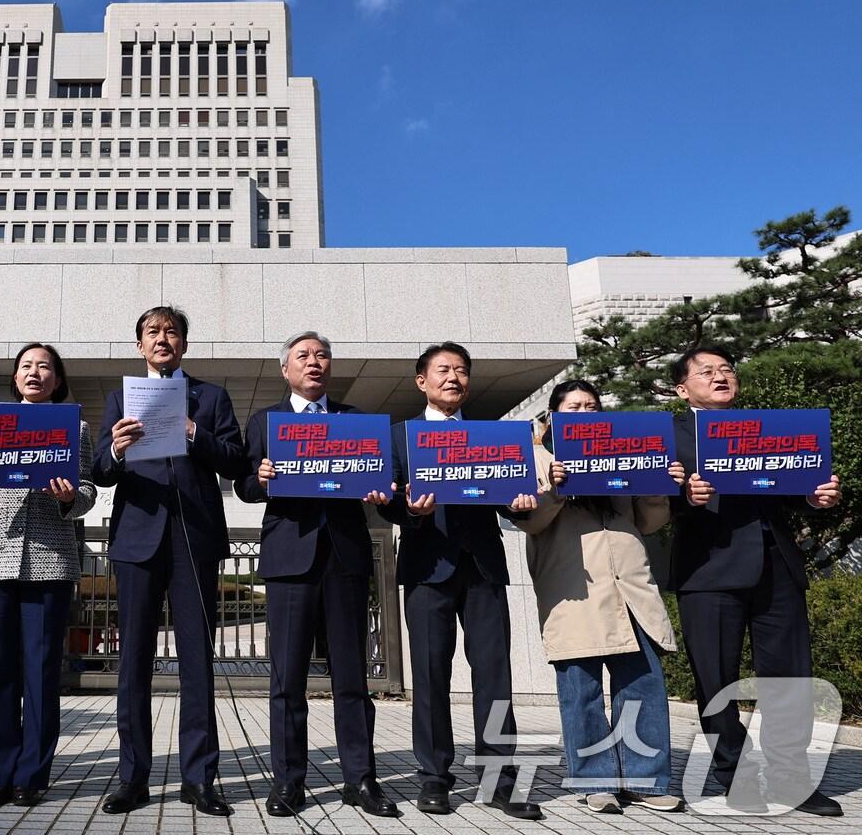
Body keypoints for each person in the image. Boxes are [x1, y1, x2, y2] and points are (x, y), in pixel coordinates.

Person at [669, 345, 843, 815]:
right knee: (715, 680)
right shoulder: (669, 434)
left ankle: (791, 780)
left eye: (727, 368)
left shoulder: (768, 431)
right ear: (683, 388)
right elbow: (645, 499)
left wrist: (816, 497)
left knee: (789, 679)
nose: (720, 376)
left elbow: (790, 493)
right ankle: (735, 775)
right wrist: (685, 496)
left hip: (776, 566)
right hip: (708, 570)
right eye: (706, 371)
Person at [235, 331, 401, 818]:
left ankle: (360, 779)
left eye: (322, 355)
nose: (314, 363)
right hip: (290, 557)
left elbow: (379, 478)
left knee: (352, 677)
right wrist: (259, 479)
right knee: (287, 678)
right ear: (285, 369)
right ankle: (289, 782)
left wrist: (379, 492)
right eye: (303, 356)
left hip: (345, 557)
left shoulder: (355, 422)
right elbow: (244, 485)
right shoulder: (266, 421)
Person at [92, 306, 248, 817]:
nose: (163, 339)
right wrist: (114, 451)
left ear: (184, 344)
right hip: (138, 537)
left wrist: (193, 433)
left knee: (197, 662)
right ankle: (132, 778)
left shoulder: (212, 396)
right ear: (139, 346)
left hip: (194, 538)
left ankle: (200, 778)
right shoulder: (121, 397)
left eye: (172, 332)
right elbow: (99, 470)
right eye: (153, 333)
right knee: (133, 660)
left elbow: (234, 460)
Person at [375, 341, 542, 820]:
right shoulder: (399, 436)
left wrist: (518, 502)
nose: (454, 378)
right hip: (428, 567)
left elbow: (507, 494)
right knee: (430, 677)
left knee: (495, 678)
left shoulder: (492, 436)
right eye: (443, 370)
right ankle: (434, 779)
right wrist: (407, 508)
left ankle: (501, 781)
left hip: (483, 566)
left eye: (462, 371)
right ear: (421, 381)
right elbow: (386, 501)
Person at [518, 380, 684, 814]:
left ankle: (646, 781)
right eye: (574, 406)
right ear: (553, 415)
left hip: (630, 584)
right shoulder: (537, 455)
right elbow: (531, 522)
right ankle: (596, 781)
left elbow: (647, 523)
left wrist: (656, 483)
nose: (584, 412)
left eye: (591, 406)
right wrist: (554, 485)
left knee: (643, 683)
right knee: (582, 690)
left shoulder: (623, 451)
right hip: (575, 588)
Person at [0, 343, 96, 808]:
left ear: (57, 379)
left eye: (44, 366)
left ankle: (33, 774)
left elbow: (88, 489)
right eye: (26, 366)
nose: (34, 372)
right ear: (15, 379)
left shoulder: (77, 428)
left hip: (51, 559)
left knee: (43, 673)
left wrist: (70, 498)